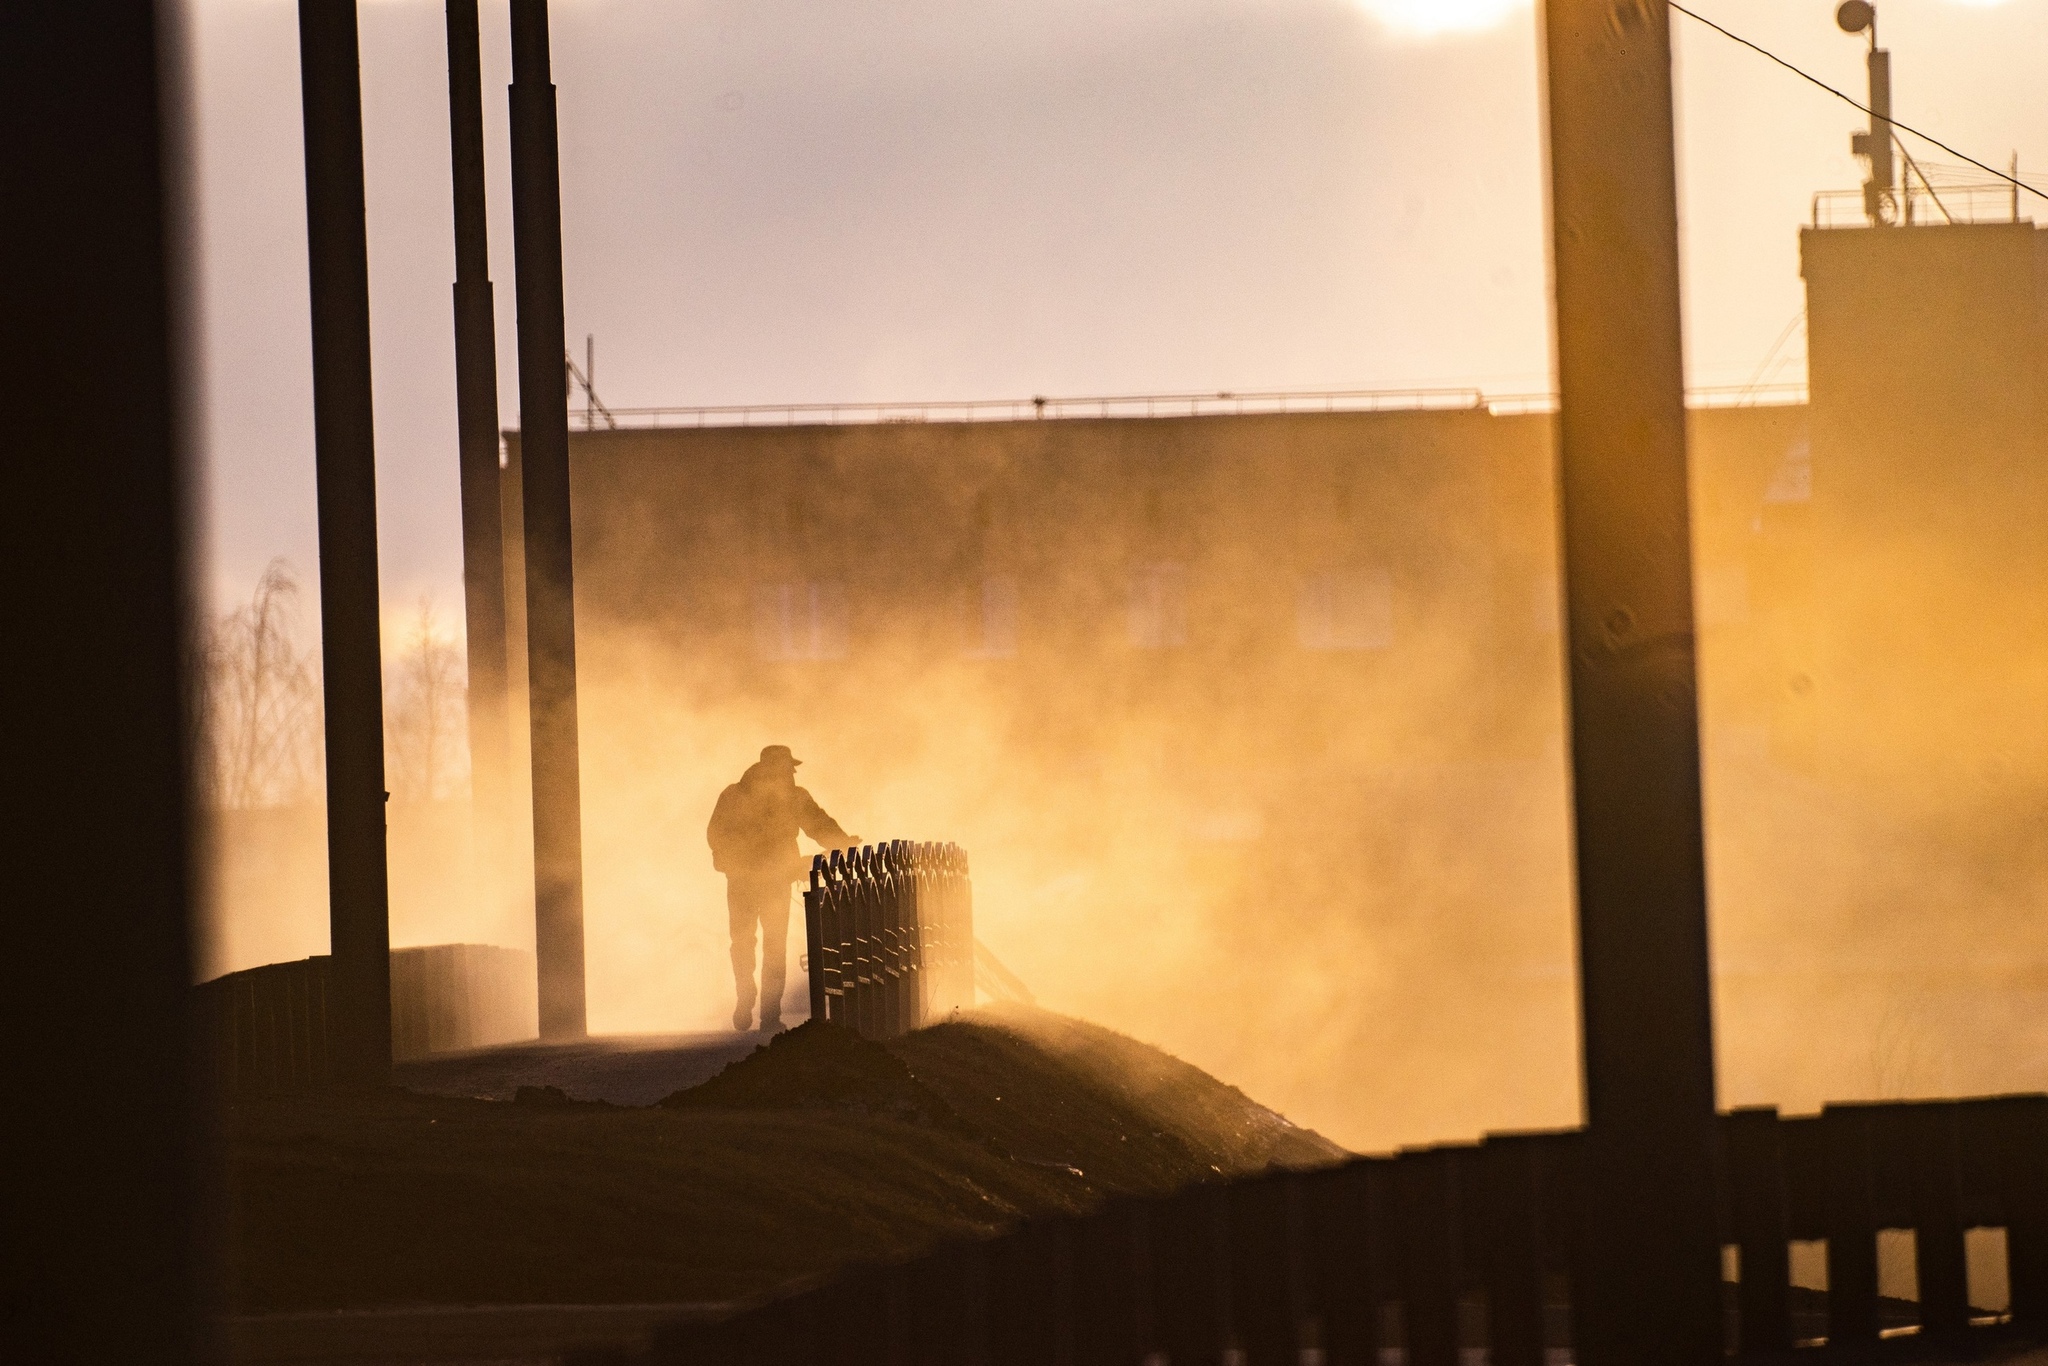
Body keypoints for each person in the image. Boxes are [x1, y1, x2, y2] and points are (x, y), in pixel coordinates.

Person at [706, 745, 859, 1032]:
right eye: (788, 767)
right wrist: (843, 843)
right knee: (773, 946)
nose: (791, 772)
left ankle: (748, 997)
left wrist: (728, 860)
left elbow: (716, 832)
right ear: (776, 769)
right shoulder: (792, 797)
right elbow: (819, 825)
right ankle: (769, 1015)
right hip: (772, 880)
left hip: (742, 881)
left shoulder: (734, 795)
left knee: (742, 942)